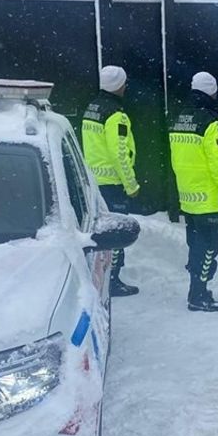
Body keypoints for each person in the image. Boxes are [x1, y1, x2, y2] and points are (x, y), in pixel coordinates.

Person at [168, 72, 218, 311]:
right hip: (208, 198)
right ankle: (198, 295)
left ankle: (196, 289)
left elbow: (177, 160)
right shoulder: (214, 125)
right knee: (209, 248)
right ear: (213, 92)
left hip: (188, 196)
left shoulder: (179, 119)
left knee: (196, 245)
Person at [81, 64, 141, 297]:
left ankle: (102, 276)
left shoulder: (92, 108)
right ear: (118, 85)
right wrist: (131, 185)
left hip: (94, 181)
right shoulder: (116, 116)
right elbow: (120, 154)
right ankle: (113, 281)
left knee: (100, 233)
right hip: (112, 183)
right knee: (116, 234)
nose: (125, 87)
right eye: (124, 83)